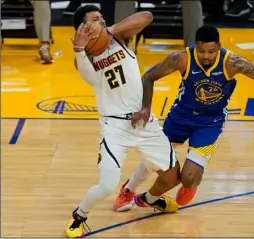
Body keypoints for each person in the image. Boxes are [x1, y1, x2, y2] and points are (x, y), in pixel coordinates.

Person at [113, 25, 254, 212]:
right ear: (195, 47)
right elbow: (148, 77)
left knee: (188, 178)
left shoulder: (232, 63)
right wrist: (145, 107)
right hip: (180, 115)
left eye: (211, 51)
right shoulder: (181, 58)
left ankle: (158, 195)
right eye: (202, 51)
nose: (206, 56)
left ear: (219, 47)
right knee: (155, 156)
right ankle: (129, 188)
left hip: (210, 122)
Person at [66, 5, 181, 238]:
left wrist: (111, 30)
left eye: (101, 18)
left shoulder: (121, 38)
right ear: (83, 29)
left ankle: (146, 199)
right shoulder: (85, 56)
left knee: (172, 178)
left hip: (144, 122)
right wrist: (79, 48)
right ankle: (79, 216)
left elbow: (147, 16)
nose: (101, 22)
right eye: (94, 21)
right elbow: (87, 75)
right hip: (115, 127)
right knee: (107, 185)